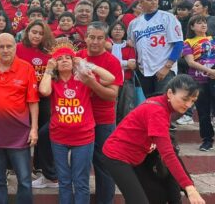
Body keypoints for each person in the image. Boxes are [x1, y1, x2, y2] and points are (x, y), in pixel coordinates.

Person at [102, 74, 206, 204]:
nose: (189, 105)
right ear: (169, 93)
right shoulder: (157, 111)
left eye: (193, 100)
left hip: (136, 156)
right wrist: (189, 188)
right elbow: (168, 155)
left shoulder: (162, 104)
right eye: (185, 99)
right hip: (117, 157)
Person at [39, 41, 116, 204]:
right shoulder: (53, 81)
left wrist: (86, 64)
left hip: (83, 137)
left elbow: (110, 78)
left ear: (74, 61)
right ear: (55, 63)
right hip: (59, 137)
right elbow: (44, 91)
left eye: (68, 57)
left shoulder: (83, 78)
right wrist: (48, 69)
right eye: (60, 59)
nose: (65, 60)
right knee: (64, 181)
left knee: (81, 182)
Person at [0, 33, 39, 204]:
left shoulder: (26, 68)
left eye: (9, 46)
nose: (5, 50)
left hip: (19, 133)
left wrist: (34, 129)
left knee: (24, 180)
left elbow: (33, 102)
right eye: (1, 47)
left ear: (16, 47)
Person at [76, 22, 124, 204]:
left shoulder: (112, 61)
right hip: (78, 118)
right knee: (81, 165)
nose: (95, 41)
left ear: (106, 40)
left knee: (104, 164)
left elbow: (112, 95)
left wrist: (92, 84)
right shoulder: (77, 57)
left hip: (103, 120)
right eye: (92, 37)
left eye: (100, 38)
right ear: (85, 38)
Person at [16, 21, 59, 189]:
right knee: (22, 132)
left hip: (44, 97)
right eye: (34, 32)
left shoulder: (50, 51)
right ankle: (18, 168)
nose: (36, 36)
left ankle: (42, 168)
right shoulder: (18, 48)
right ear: (27, 32)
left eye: (40, 33)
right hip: (22, 97)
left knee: (42, 133)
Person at [128, 0, 183, 97]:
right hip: (144, 70)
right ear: (141, 2)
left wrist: (167, 67)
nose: (153, 2)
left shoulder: (168, 18)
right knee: (150, 103)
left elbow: (178, 44)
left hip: (164, 68)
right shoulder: (134, 23)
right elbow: (132, 47)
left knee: (164, 103)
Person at [182, 15, 215, 151]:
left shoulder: (212, 39)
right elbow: (190, 62)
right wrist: (210, 71)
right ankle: (207, 140)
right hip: (199, 81)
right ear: (191, 27)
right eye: (199, 23)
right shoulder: (188, 42)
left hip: (213, 79)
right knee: (203, 112)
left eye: (204, 22)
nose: (203, 25)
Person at [108, 21, 137, 123]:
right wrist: (125, 63)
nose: (118, 31)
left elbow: (132, 65)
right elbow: (107, 63)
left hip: (126, 80)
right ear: (110, 31)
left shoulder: (129, 46)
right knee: (112, 108)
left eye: (120, 29)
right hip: (109, 81)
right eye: (115, 29)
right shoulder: (106, 45)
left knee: (127, 107)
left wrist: (116, 63)